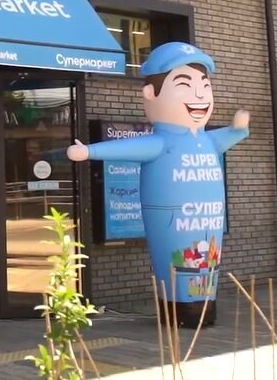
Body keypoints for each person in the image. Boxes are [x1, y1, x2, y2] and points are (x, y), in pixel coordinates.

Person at [68, 41, 249, 326]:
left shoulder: (208, 140)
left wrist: (239, 129)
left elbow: (231, 135)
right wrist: (89, 151)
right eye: (185, 85)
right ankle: (180, 310)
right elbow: (128, 148)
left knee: (205, 264)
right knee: (179, 264)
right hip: (173, 222)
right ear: (151, 94)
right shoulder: (161, 142)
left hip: (208, 217)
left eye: (204, 86)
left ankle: (202, 307)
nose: (199, 95)